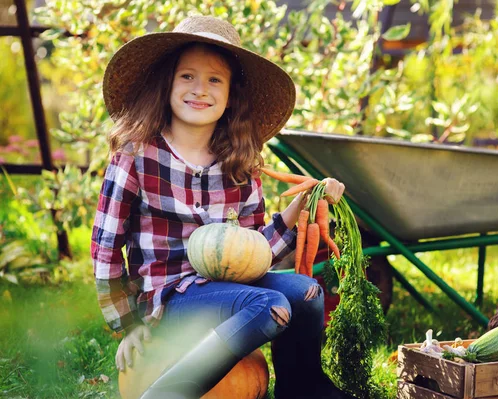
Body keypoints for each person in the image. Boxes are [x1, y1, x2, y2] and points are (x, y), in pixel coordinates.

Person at [91, 15, 353, 399]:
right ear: (167, 82)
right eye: (187, 76)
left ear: (231, 94)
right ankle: (170, 392)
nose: (200, 89)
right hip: (169, 298)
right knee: (270, 304)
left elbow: (255, 252)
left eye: (215, 79)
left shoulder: (240, 162)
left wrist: (302, 205)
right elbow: (106, 249)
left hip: (232, 289)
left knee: (307, 293)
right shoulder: (136, 154)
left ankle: (303, 389)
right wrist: (128, 325)